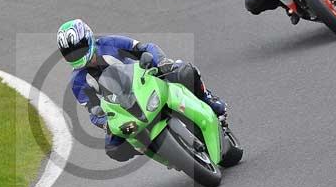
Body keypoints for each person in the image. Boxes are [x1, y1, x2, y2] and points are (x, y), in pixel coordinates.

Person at [57, 19, 226, 162]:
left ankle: (207, 98)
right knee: (114, 149)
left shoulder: (111, 43)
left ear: (89, 39)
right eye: (70, 53)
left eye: (79, 48)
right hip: (124, 109)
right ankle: (159, 151)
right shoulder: (78, 82)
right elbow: (93, 111)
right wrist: (105, 123)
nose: (77, 55)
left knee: (184, 71)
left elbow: (145, 48)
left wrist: (160, 62)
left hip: (146, 82)